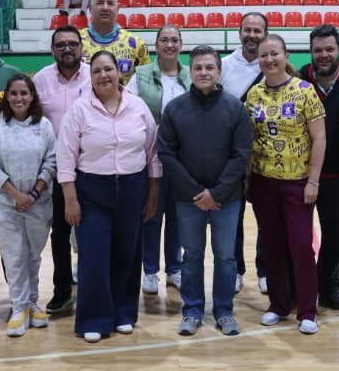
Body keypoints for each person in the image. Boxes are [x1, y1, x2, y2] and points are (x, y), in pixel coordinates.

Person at [56, 50, 160, 343]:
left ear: (119, 73)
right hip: (91, 190)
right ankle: (93, 318)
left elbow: (152, 154)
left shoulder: (138, 107)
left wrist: (152, 195)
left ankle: (124, 314)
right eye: (97, 71)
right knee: (94, 256)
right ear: (90, 77)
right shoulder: (79, 110)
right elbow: (65, 157)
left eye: (108, 69)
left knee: (128, 253)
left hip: (132, 187)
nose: (103, 75)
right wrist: (70, 199)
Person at [158, 46, 253, 336]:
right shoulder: (174, 109)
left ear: (219, 71)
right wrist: (196, 193)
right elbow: (167, 153)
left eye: (209, 67)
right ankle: (192, 310)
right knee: (191, 256)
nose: (203, 72)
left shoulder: (235, 108)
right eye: (198, 67)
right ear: (191, 71)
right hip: (189, 200)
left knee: (226, 257)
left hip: (227, 199)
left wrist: (217, 193)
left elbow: (241, 155)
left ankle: (224, 311)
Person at [245, 34, 326, 334]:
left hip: (298, 183)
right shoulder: (254, 94)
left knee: (301, 246)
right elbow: (249, 138)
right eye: (264, 55)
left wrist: (313, 181)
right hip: (263, 182)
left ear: (285, 55)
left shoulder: (304, 91)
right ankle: (278, 305)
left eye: (274, 54)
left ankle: (307, 310)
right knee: (272, 244)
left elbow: (320, 138)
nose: (269, 60)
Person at [0, 74, 58, 337]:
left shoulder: (44, 125)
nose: (19, 98)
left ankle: (32, 302)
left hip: (38, 202)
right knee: (14, 256)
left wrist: (33, 194)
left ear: (32, 96)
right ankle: (18, 307)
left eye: (24, 93)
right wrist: (16, 195)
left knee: (33, 255)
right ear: (6, 96)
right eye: (14, 93)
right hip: (5, 204)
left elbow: (51, 161)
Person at [298, 23, 339, 310]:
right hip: (299, 174)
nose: (324, 54)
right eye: (318, 49)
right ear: (311, 51)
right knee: (298, 236)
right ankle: (300, 285)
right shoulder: (299, 80)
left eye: (329, 49)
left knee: (335, 236)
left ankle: (328, 285)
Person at [125, 25, 188, 295]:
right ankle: (150, 271)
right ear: (156, 45)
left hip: (184, 161)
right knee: (151, 214)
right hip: (150, 157)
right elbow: (128, 109)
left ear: (181, 45)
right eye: (164, 40)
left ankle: (174, 269)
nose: (169, 45)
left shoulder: (191, 75)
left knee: (177, 217)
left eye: (174, 40)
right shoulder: (140, 75)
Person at [32, 24, 90, 316]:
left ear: (81, 47)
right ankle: (62, 291)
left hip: (92, 169)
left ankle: (92, 289)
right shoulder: (40, 79)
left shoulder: (95, 75)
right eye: (60, 45)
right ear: (52, 50)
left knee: (92, 232)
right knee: (59, 235)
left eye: (72, 44)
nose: (67, 49)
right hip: (56, 172)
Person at [220, 12, 269, 295]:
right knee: (233, 217)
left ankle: (266, 269)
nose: (252, 35)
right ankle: (236, 269)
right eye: (247, 30)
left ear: (265, 34)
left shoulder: (272, 64)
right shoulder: (225, 65)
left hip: (266, 154)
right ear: (239, 32)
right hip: (233, 156)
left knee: (266, 217)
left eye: (257, 30)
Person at [79, 0, 150, 85]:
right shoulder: (76, 42)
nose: (105, 8)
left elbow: (147, 82)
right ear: (90, 8)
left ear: (117, 9)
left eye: (110, 3)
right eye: (100, 3)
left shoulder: (135, 43)